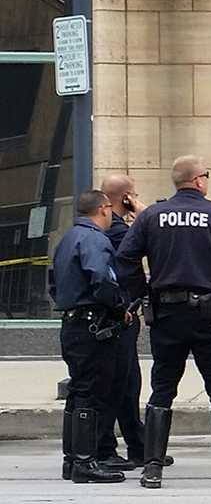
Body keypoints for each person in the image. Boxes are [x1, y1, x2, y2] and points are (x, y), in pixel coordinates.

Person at [115, 155, 211, 489]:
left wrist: (143, 292)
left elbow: (125, 258)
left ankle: (152, 469)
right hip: (210, 313)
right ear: (200, 180)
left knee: (162, 388)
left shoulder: (151, 216)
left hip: (167, 313)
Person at [96, 174, 174, 472]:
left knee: (128, 382)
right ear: (126, 197)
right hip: (119, 314)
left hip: (123, 310)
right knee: (120, 383)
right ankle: (108, 447)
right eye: (134, 194)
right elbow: (156, 228)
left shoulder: (116, 228)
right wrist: (140, 209)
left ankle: (138, 445)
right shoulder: (116, 230)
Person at [49, 190, 126, 484]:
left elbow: (54, 283)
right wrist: (119, 308)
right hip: (92, 324)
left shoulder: (67, 239)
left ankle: (73, 459)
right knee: (92, 392)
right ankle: (85, 461)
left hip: (73, 323)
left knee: (79, 391)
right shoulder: (95, 239)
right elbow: (102, 278)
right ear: (104, 209)